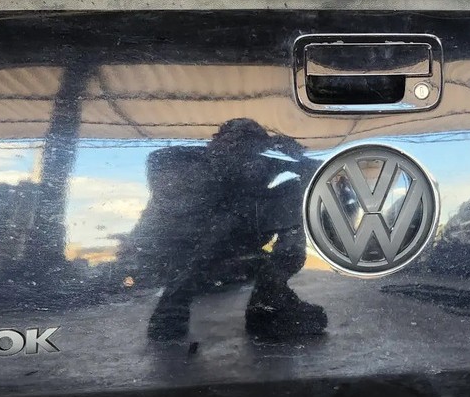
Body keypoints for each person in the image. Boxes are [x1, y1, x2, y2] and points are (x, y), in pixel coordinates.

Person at [124, 118, 328, 343]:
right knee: (218, 223)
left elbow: (317, 172)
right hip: (189, 252)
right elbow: (163, 171)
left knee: (296, 193)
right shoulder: (188, 162)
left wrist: (290, 154)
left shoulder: (260, 160)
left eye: (249, 141)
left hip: (237, 249)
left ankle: (270, 301)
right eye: (234, 140)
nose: (240, 148)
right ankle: (173, 307)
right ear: (217, 141)